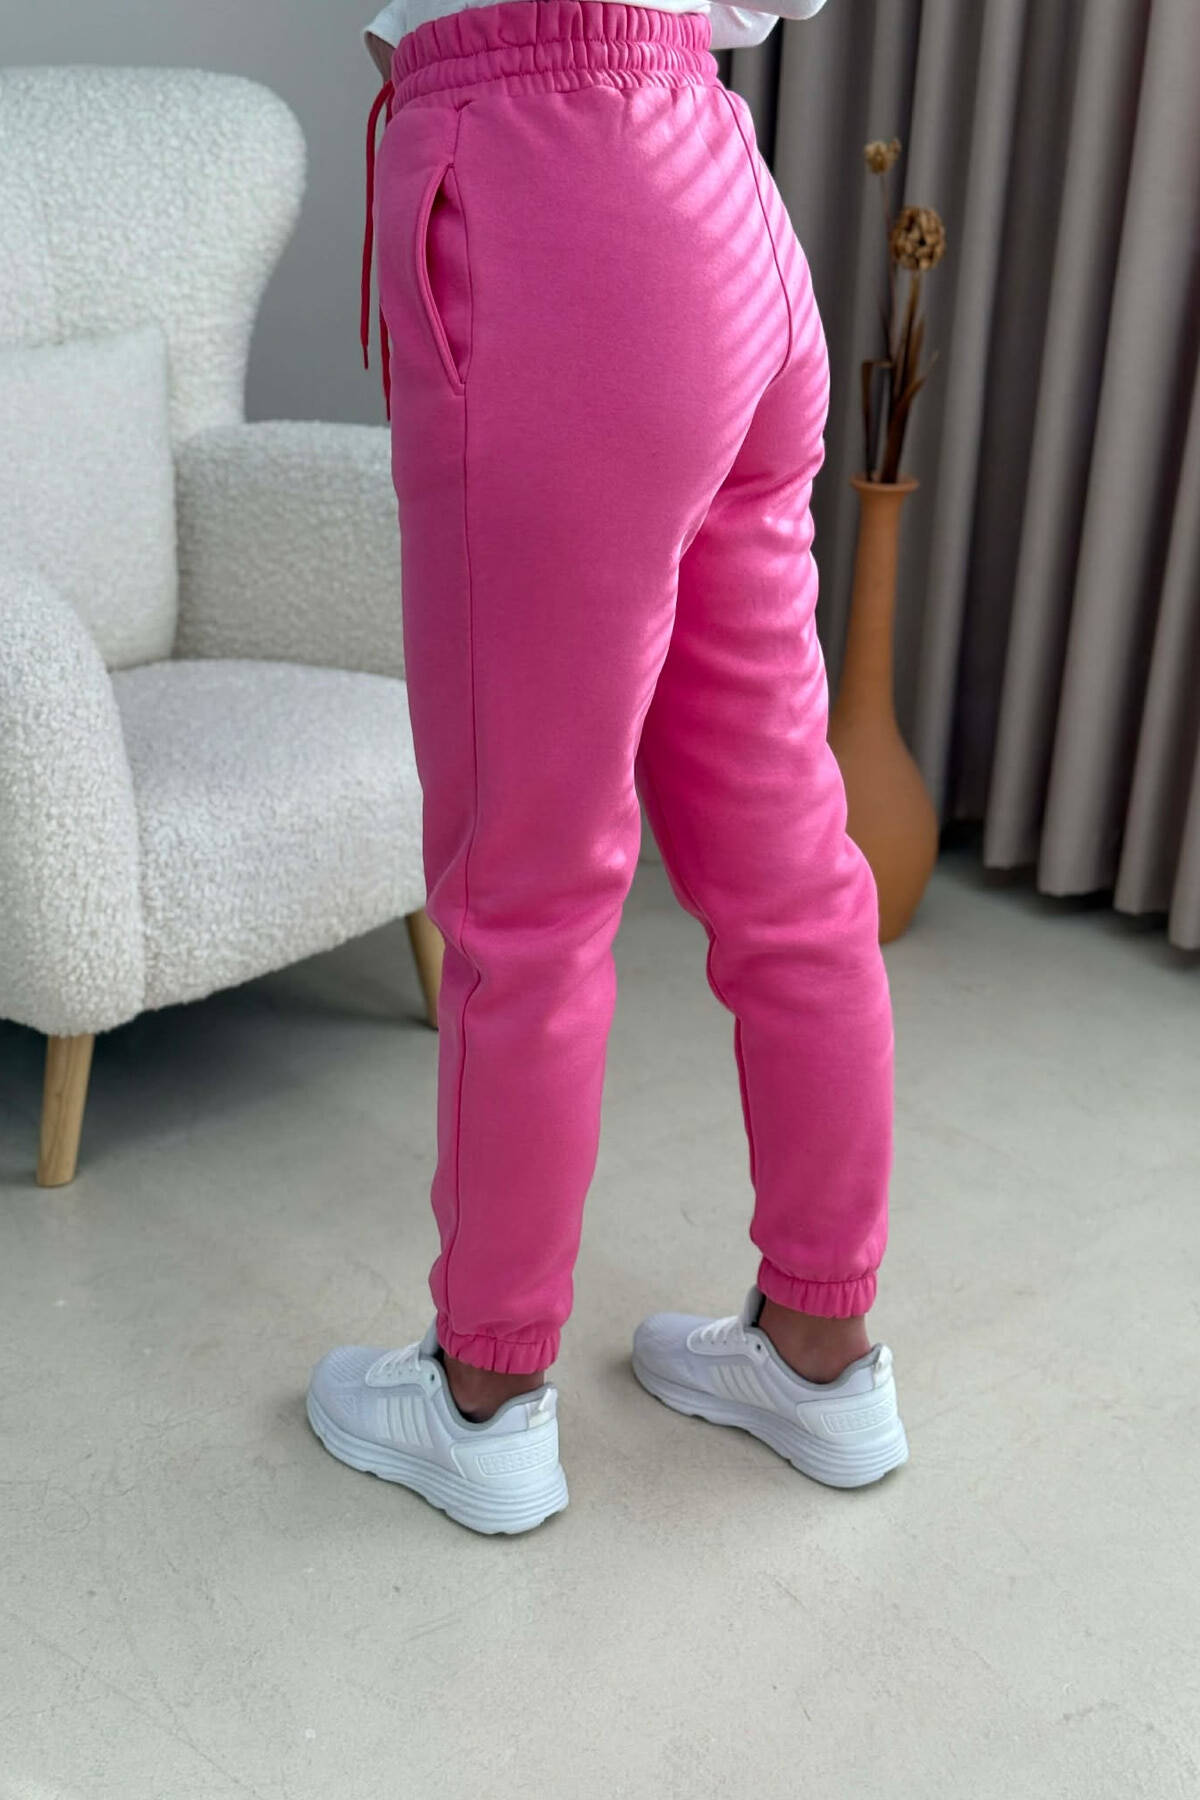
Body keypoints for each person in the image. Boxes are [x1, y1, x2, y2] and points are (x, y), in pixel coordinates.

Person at [305, 0, 908, 1535]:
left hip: (544, 203)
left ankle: (482, 1397)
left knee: (525, 880)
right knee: (788, 855)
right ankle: (822, 1347)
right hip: (720, 202)